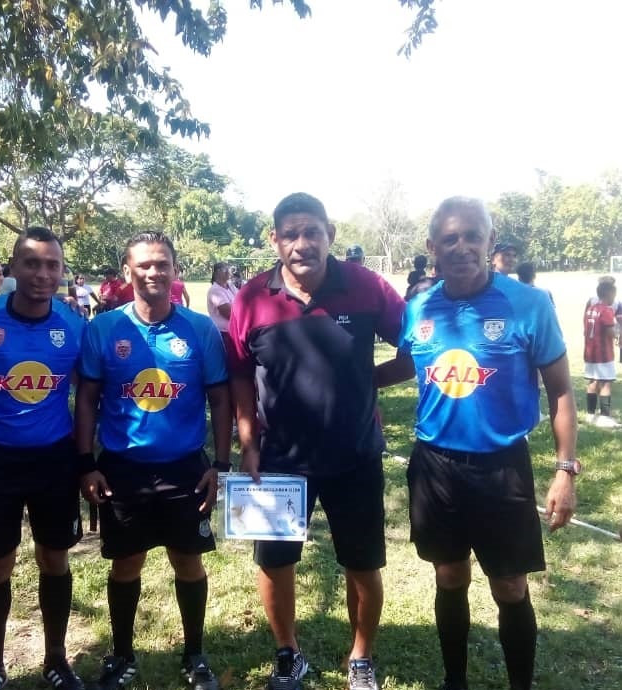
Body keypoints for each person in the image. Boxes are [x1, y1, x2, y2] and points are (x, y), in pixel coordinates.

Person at [227, 193, 412, 690]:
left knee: (363, 562)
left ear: (329, 233)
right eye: (290, 233)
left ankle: (361, 658)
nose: (302, 243)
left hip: (355, 455)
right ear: (275, 240)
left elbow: (415, 347)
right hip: (280, 462)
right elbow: (241, 374)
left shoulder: (366, 286)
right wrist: (247, 439)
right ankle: (288, 653)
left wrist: (365, 380)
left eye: (312, 232)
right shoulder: (250, 299)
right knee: (275, 561)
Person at [399, 196, 578, 690]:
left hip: (502, 467)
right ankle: (454, 681)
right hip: (434, 465)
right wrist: (344, 381)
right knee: (449, 576)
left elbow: (561, 390)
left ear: (490, 242)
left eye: (472, 236)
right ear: (433, 247)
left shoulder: (529, 304)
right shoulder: (419, 308)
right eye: (450, 239)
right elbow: (403, 363)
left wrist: (566, 470)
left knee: (509, 584)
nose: (462, 247)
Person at [76, 231, 231, 690]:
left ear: (174, 270)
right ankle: (121, 655)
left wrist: (219, 465)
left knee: (189, 563)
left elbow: (221, 400)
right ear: (127, 271)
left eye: (162, 264)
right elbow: (86, 399)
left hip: (185, 467)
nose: (153, 272)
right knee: (126, 564)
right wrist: (87, 462)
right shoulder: (103, 330)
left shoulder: (199, 329)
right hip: (123, 469)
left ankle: (194, 654)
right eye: (143, 265)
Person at [0, 227, 86, 690]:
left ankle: (56, 659)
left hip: (55, 458)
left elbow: (87, 393)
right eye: (32, 263)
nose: (42, 274)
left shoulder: (74, 326)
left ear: (61, 271)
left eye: (52, 264)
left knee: (55, 560)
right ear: (13, 269)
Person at [583, 278, 619, 428]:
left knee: (592, 382)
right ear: (609, 294)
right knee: (606, 383)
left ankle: (590, 414)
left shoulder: (591, 308)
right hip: (603, 354)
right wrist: (618, 333)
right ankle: (604, 417)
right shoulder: (607, 310)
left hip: (590, 352)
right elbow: (610, 332)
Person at [206, 262, 236, 353]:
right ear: (216, 273)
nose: (228, 272)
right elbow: (228, 313)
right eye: (224, 270)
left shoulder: (230, 285)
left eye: (229, 269)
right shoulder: (215, 290)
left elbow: (243, 300)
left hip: (233, 331)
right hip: (223, 334)